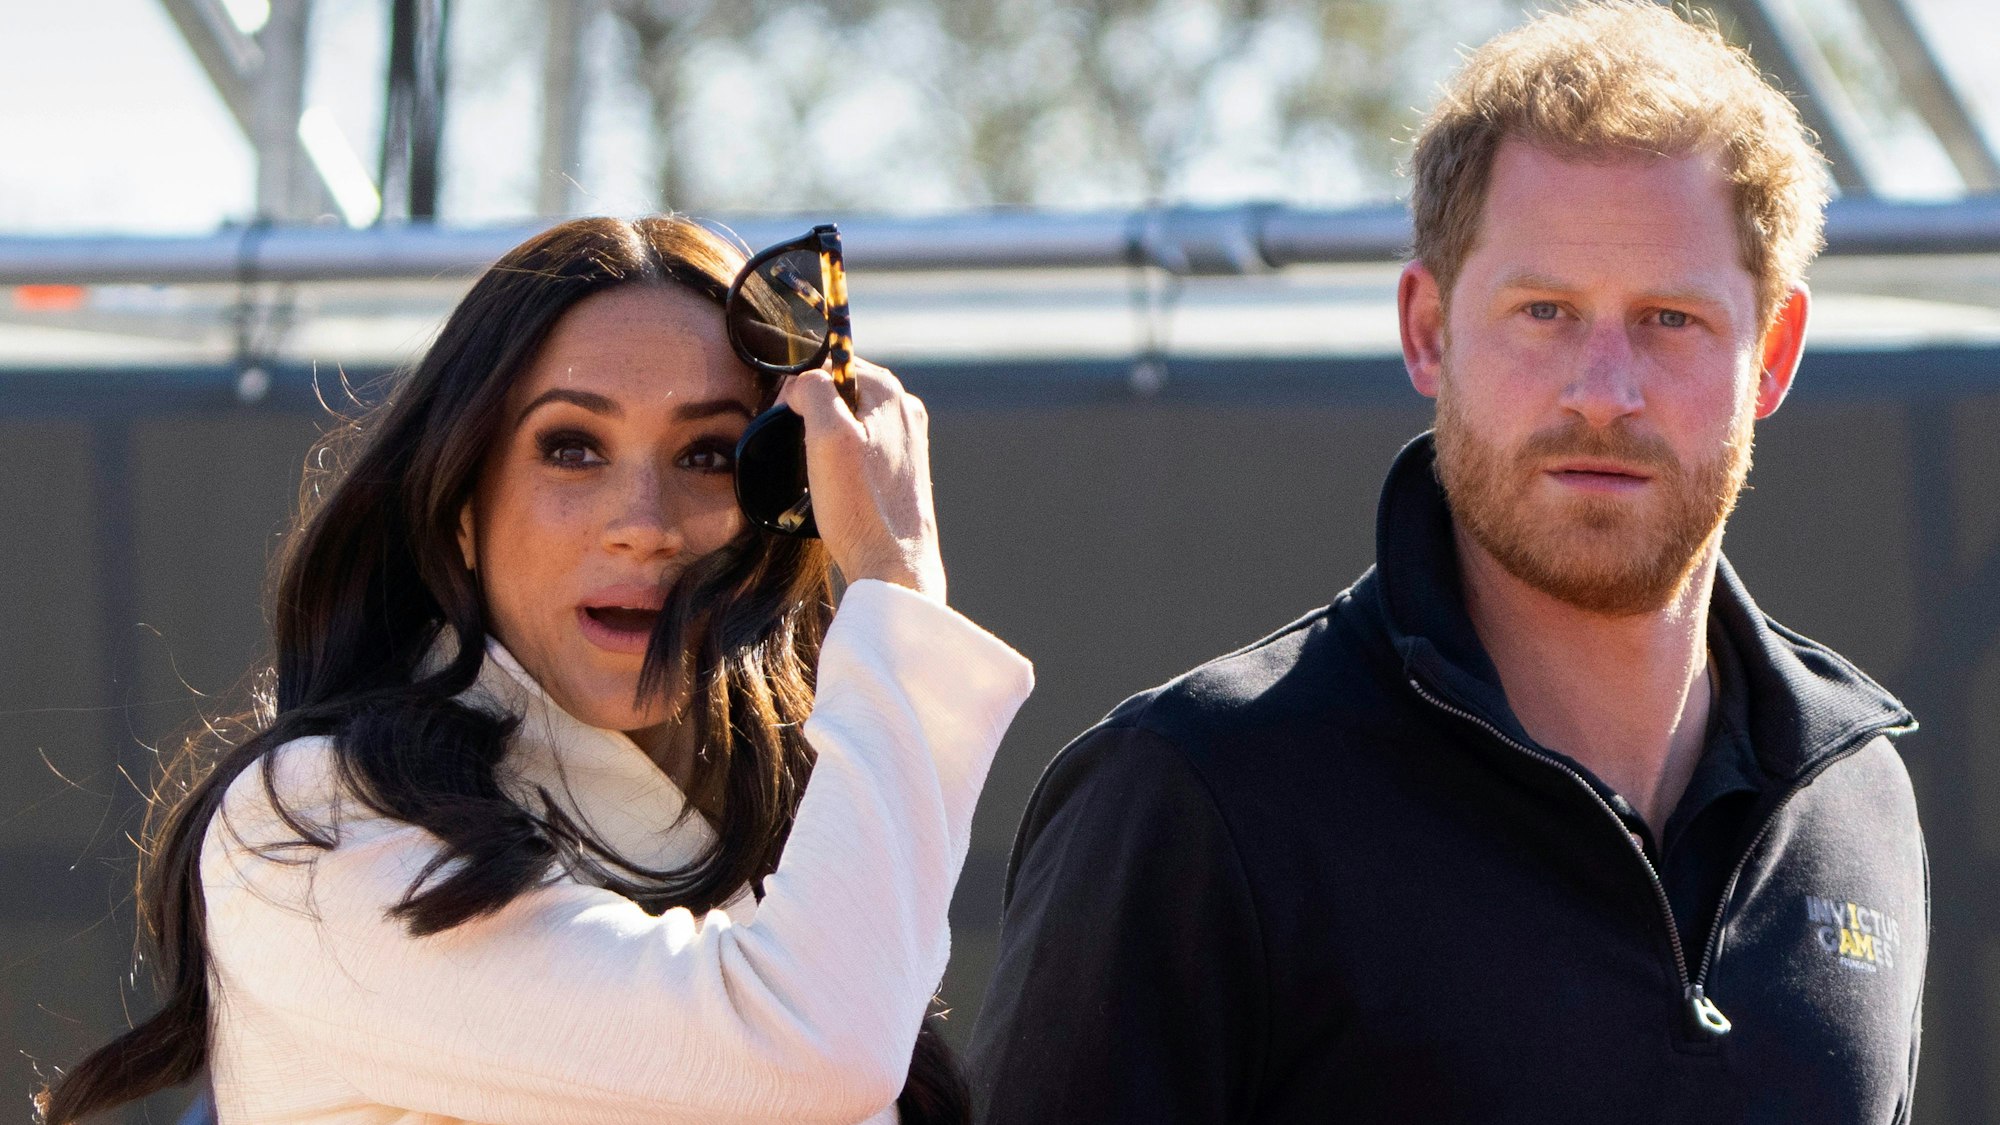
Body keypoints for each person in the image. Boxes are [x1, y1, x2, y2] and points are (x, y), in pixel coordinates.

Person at [969, 3, 1925, 1121]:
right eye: (1542, 311)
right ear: (1426, 329)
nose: (1601, 390)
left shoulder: (1857, 807)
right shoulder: (1196, 796)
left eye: (1668, 319)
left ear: (1769, 356)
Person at [38, 216, 1033, 1125]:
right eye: (571, 447)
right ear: (461, 503)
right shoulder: (315, 823)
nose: (642, 524)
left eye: (707, 457)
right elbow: (802, 1050)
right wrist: (898, 583)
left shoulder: (804, 846)